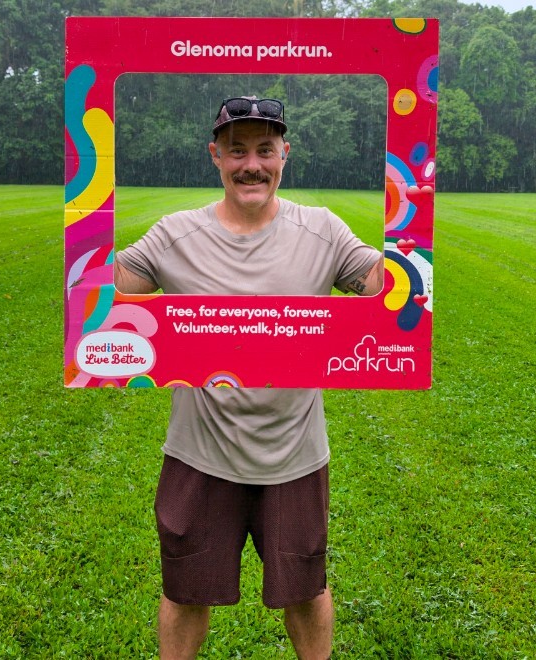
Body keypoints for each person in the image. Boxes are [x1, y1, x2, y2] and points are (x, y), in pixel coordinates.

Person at [115, 96, 383, 659]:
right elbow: (100, 293)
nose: (252, 165)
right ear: (215, 156)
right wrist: (82, 224)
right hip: (199, 452)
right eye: (237, 151)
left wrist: (414, 233)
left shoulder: (323, 231)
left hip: (294, 452)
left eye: (265, 149)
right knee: (185, 591)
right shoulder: (175, 235)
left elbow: (388, 292)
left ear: (286, 154)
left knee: (305, 590)